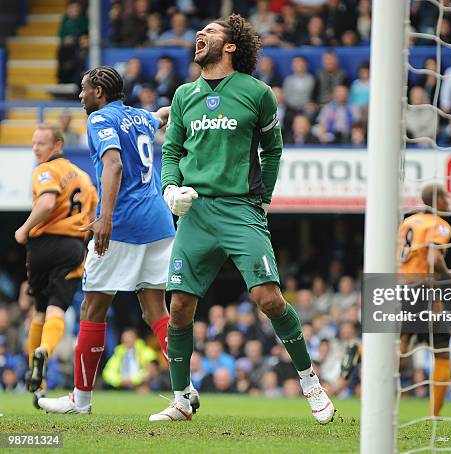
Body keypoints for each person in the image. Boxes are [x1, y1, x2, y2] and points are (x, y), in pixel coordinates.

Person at [150, 14, 334, 424]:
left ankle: (309, 382)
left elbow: (273, 149)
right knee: (178, 306)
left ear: (231, 46)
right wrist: (169, 189)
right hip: (195, 212)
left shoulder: (258, 92)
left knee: (268, 298)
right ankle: (182, 397)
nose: (201, 35)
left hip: (239, 209)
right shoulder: (183, 95)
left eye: (211, 32)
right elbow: (171, 152)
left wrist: (263, 200)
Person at [38, 66, 198, 415]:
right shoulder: (140, 116)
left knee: (93, 307)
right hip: (158, 223)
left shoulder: (98, 121)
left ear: (98, 91)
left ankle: (80, 399)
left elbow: (113, 165)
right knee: (156, 308)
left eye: (83, 90)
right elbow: (161, 115)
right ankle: (184, 390)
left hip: (123, 225)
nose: (80, 96)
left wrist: (105, 217)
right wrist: (185, 103)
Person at [14, 124, 97, 409]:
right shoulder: (86, 179)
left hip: (41, 246)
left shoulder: (45, 171)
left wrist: (24, 228)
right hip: (72, 246)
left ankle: (38, 387)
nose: (36, 148)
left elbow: (47, 202)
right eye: (34, 142)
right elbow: (93, 217)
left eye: (42, 143)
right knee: (57, 308)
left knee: (39, 309)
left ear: (58, 146)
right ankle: (44, 351)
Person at [397, 184, 451, 417]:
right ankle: (435, 414)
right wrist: (449, 273)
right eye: (446, 198)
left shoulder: (408, 222)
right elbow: (433, 256)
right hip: (424, 288)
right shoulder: (438, 225)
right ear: (438, 199)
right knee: (441, 350)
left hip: (403, 287)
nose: (448, 204)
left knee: (402, 347)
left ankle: (363, 355)